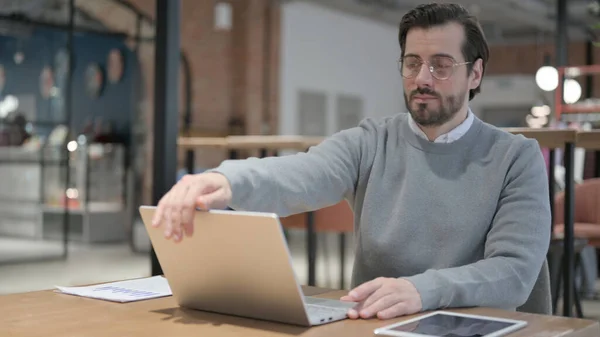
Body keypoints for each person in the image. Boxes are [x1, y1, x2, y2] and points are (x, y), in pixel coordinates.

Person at [151, 3, 550, 321]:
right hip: (375, 323)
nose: (422, 78)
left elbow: (513, 273)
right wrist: (225, 181)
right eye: (412, 63)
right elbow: (304, 173)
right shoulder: (372, 141)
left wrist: (422, 290)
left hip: (476, 327)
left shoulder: (516, 158)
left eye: (441, 65)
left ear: (475, 73)